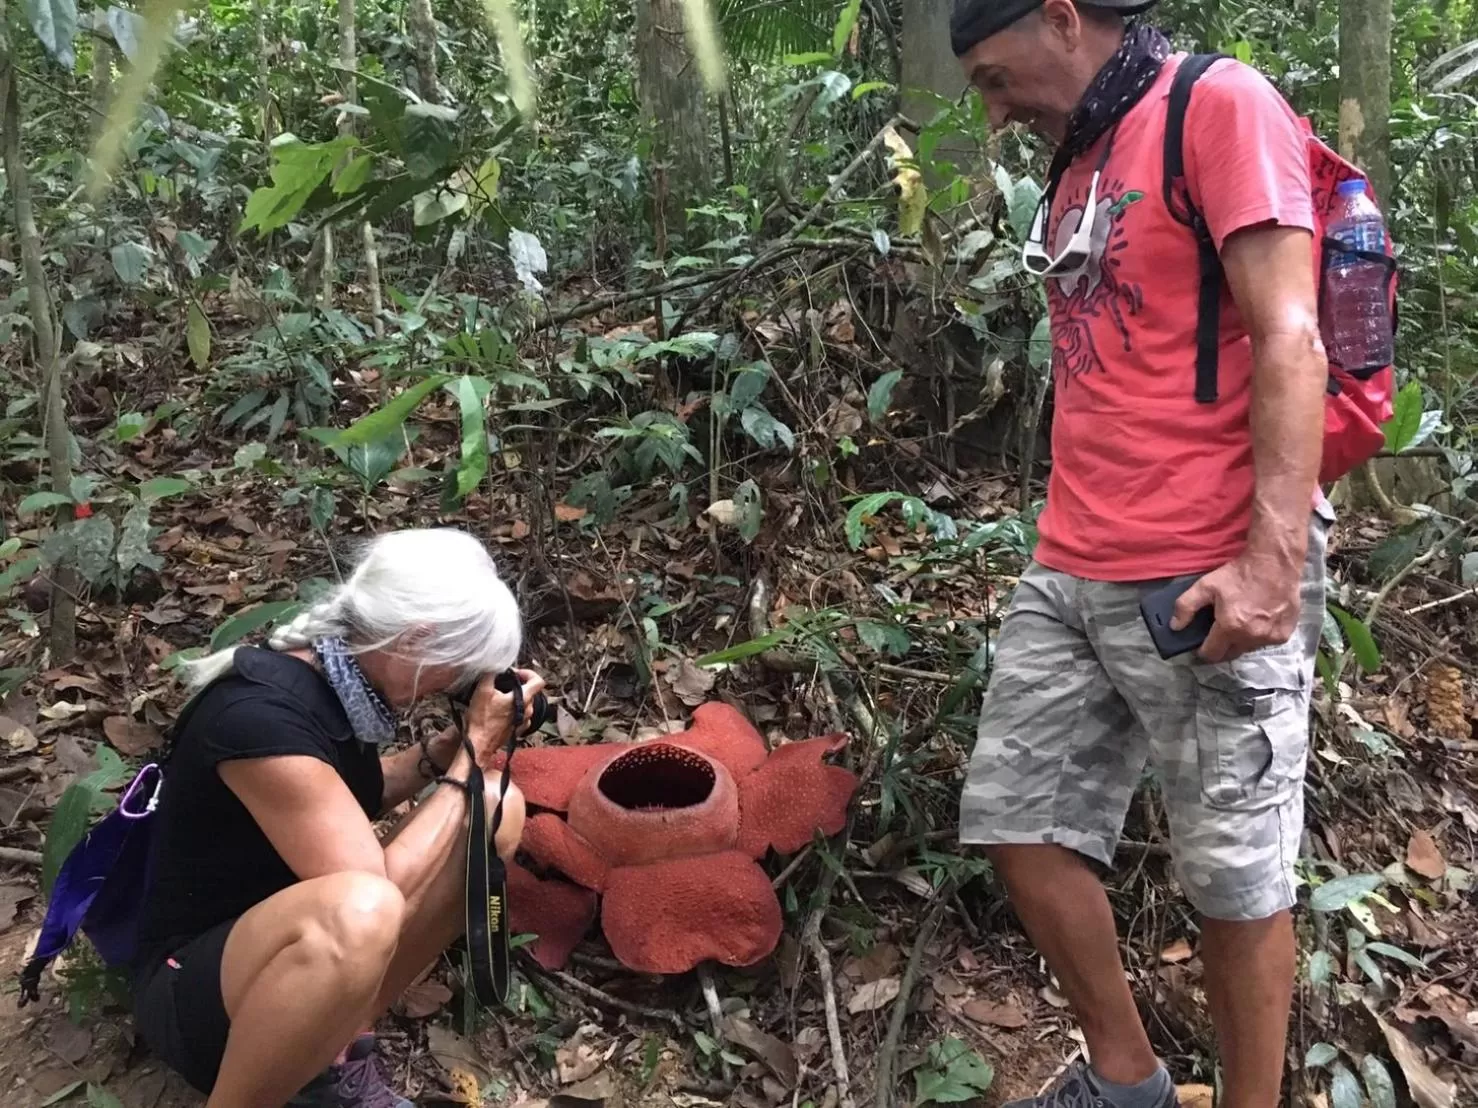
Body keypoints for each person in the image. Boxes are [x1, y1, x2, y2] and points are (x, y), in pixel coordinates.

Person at [950, 2, 1334, 1107]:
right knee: (1015, 824)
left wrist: (1268, 564)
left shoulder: (1216, 105)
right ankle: (1127, 1080)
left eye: (991, 74)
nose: (991, 106)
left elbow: (1288, 334)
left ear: (1061, 17)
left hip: (1205, 562)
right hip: (1073, 558)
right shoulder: (1080, 153)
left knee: (1233, 881)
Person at [129, 528, 538, 1108]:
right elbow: (376, 890)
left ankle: (325, 1059)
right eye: (456, 667)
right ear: (417, 640)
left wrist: (448, 750)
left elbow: (352, 796)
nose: (453, 684)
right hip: (195, 994)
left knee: (493, 807)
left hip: (280, 954)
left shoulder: (337, 680)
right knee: (362, 911)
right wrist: (472, 746)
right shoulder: (258, 717)